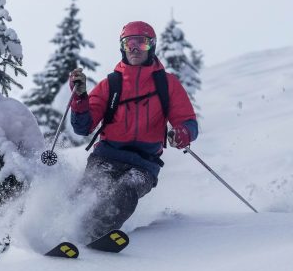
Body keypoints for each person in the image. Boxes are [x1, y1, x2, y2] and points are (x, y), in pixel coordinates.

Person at [68, 20, 199, 241]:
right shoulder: (111, 84)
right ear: (123, 47)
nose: (136, 49)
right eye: (130, 44)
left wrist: (181, 133)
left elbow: (189, 123)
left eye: (142, 43)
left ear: (152, 47)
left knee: (125, 191)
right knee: (91, 190)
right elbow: (82, 127)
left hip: (144, 164)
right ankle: (63, 231)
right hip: (107, 155)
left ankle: (93, 236)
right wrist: (80, 98)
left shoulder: (167, 84)